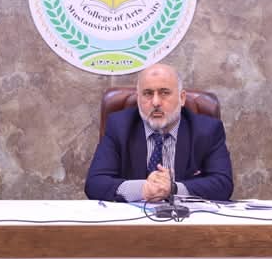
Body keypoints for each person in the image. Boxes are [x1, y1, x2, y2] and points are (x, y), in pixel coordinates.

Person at [85, 63, 234, 202]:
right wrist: (143, 189)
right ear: (138, 99)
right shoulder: (119, 127)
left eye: (164, 93)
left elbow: (223, 184)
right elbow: (95, 183)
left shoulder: (207, 130)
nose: (156, 102)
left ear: (182, 98)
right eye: (148, 93)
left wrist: (173, 189)